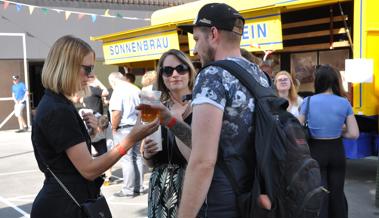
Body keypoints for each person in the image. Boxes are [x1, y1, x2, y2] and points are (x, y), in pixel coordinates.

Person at [30, 35, 159, 218]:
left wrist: (89, 133)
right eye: (87, 68)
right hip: (65, 205)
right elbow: (89, 169)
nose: (91, 75)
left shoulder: (57, 103)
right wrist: (131, 139)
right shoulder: (57, 108)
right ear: (67, 66)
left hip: (66, 199)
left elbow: (65, 158)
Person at [178, 3, 271, 217]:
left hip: (221, 198)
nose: (194, 49)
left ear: (213, 34)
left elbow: (203, 161)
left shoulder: (213, 75)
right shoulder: (259, 75)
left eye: (196, 39)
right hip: (254, 193)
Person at [298, 64, 359, 218]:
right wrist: (340, 130)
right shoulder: (344, 102)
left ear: (318, 81)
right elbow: (354, 134)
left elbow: (297, 128)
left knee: (320, 192)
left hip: (316, 151)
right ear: (335, 81)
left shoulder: (308, 101)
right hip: (336, 150)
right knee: (337, 192)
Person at [142, 49, 195, 218]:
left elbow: (195, 156)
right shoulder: (155, 106)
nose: (174, 74)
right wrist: (147, 154)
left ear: (189, 72)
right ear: (161, 76)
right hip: (160, 185)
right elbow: (149, 162)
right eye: (167, 70)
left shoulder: (200, 105)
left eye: (181, 69)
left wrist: (176, 120)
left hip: (190, 182)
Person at [109, 71, 145, 198]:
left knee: (127, 159)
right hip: (136, 125)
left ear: (113, 81)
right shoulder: (134, 89)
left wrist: (113, 127)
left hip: (124, 128)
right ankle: (139, 187)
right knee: (137, 157)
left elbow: (116, 112)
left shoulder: (118, 90)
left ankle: (128, 190)